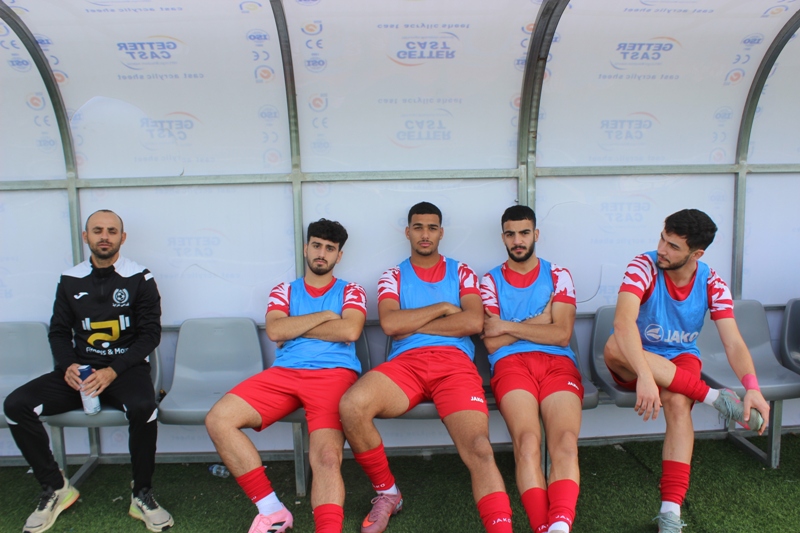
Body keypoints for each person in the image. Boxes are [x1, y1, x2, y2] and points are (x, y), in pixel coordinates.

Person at [339, 201, 513, 533]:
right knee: (351, 405)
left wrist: (414, 324)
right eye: (418, 227)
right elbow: (390, 324)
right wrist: (444, 307)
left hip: (454, 366)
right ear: (407, 232)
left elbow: (473, 321)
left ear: (441, 233)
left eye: (432, 228)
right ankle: (388, 493)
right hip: (407, 365)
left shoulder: (461, 272)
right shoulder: (393, 275)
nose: (425, 234)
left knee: (479, 448)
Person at [3, 209, 173, 533]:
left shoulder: (140, 277)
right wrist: (68, 366)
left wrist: (112, 371)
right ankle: (56, 487)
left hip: (125, 370)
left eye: (111, 231)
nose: (104, 236)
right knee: (15, 405)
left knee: (144, 407)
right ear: (86, 236)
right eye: (97, 230)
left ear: (122, 238)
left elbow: (150, 335)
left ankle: (142, 494)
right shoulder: (70, 279)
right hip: (80, 371)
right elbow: (58, 332)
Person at [603, 208, 770, 533]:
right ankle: (715, 398)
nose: (661, 250)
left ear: (696, 254)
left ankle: (670, 513)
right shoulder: (643, 265)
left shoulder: (712, 281)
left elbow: (733, 342)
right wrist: (646, 375)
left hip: (681, 358)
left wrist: (752, 387)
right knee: (613, 345)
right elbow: (623, 324)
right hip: (634, 357)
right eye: (662, 239)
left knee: (678, 403)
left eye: (673, 246)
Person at [205, 218, 366, 533]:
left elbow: (350, 330)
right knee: (218, 419)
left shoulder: (351, 289)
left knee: (326, 458)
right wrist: (325, 316)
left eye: (330, 248)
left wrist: (297, 326)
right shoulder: (285, 290)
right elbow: (276, 330)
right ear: (306, 248)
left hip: (333, 376)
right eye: (316, 245)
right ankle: (272, 511)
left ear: (339, 255)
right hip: (284, 373)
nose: (321, 254)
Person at [480, 205, 581, 533]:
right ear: (503, 238)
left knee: (565, 441)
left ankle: (560, 526)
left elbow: (561, 334)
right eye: (510, 234)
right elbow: (492, 344)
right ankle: (541, 527)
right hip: (510, 364)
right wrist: (541, 320)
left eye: (524, 233)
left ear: (535, 234)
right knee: (526, 443)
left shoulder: (558, 275)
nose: (518, 240)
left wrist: (508, 326)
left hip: (558, 363)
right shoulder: (489, 281)